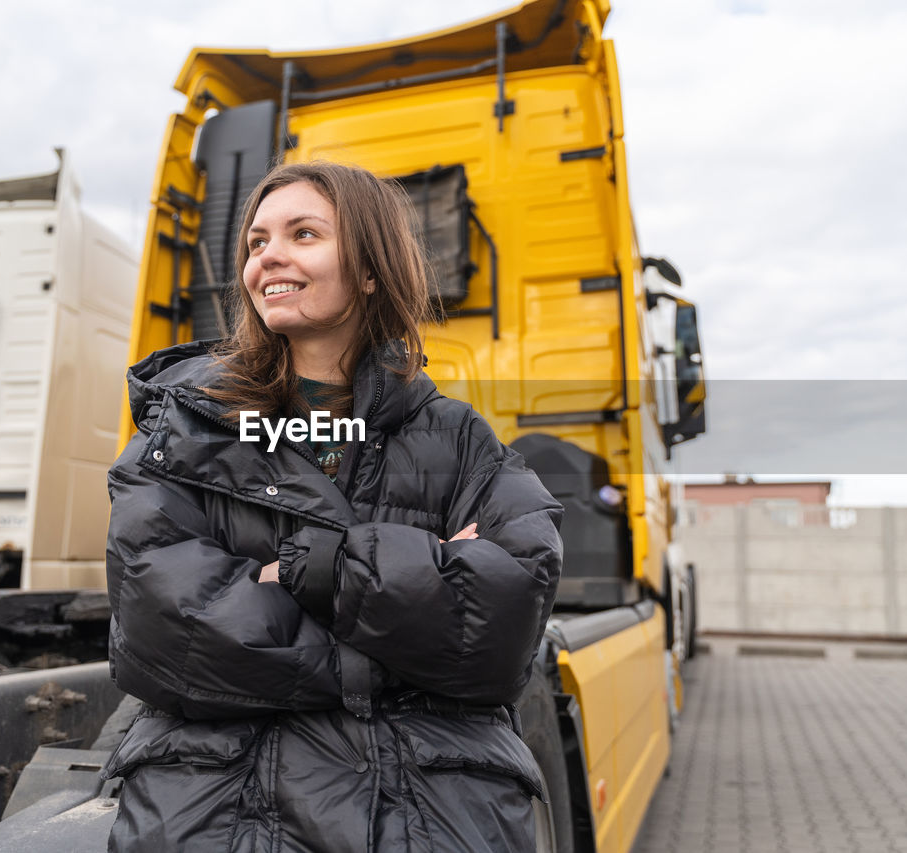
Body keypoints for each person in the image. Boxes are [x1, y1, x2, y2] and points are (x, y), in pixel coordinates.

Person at [102, 161, 563, 852]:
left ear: (371, 269)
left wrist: (311, 570)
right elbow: (163, 631)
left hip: (428, 811)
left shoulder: (461, 437)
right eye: (257, 243)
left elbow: (504, 626)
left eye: (304, 233)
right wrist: (418, 597)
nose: (269, 257)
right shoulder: (183, 426)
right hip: (216, 810)